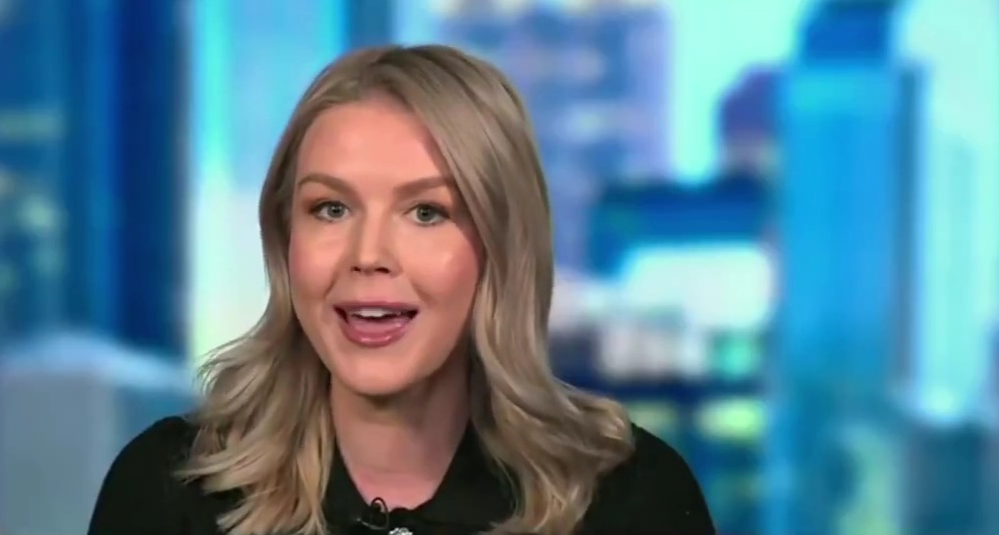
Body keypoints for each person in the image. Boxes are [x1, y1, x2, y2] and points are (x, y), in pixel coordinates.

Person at [87, 44, 715, 535]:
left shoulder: (630, 500)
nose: (368, 256)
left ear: (501, 246)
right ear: (285, 240)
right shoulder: (170, 490)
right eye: (331, 209)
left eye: (426, 213)